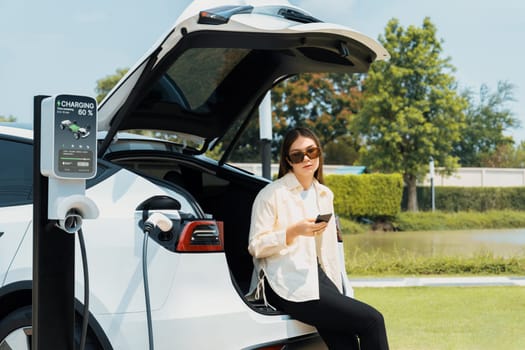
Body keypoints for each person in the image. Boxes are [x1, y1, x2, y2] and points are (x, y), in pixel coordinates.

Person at [247, 127, 389, 350]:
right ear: (288, 160)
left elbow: (328, 251)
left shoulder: (324, 194)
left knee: (346, 344)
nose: (306, 158)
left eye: (311, 151)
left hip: (318, 278)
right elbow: (256, 246)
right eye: (297, 155)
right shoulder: (271, 194)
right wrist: (293, 232)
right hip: (284, 281)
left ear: (319, 154)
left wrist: (337, 290)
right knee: (373, 321)